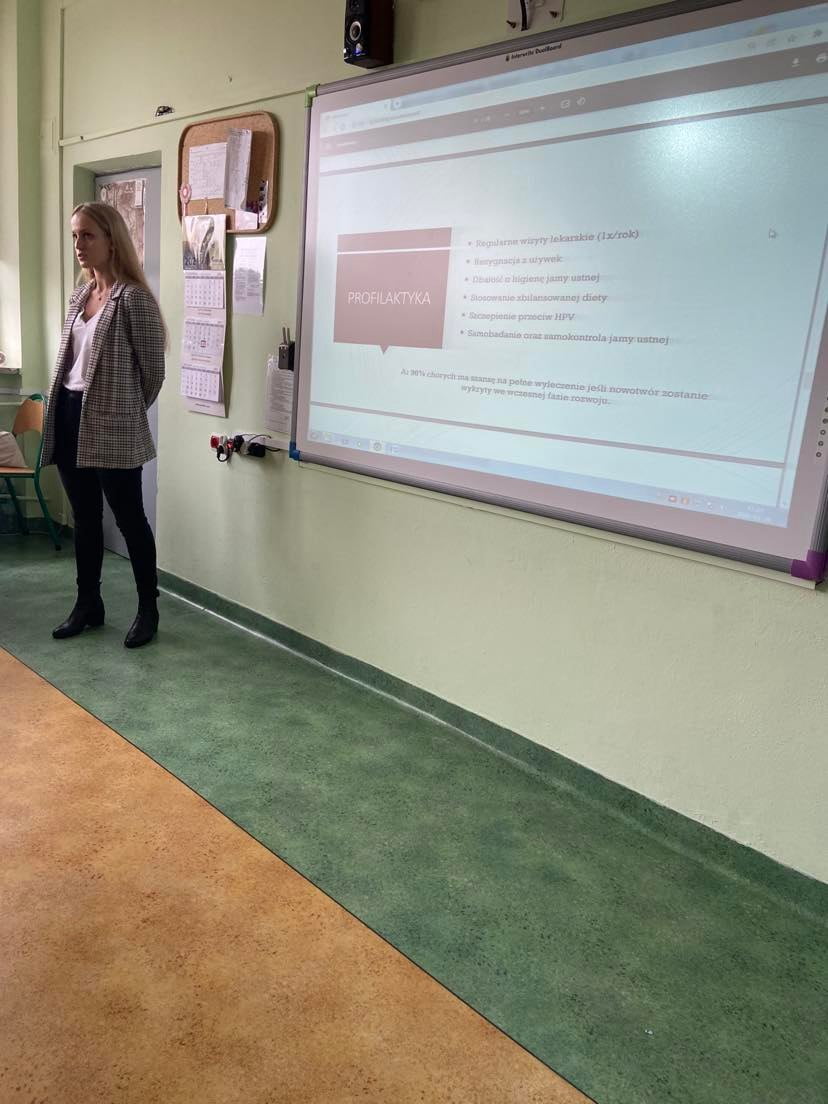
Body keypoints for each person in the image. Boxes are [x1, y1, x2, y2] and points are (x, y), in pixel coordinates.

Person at [41, 202, 166, 648]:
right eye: (75, 235)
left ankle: (148, 609)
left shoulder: (133, 299)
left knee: (130, 519)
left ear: (112, 240)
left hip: (113, 423)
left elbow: (153, 374)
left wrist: (122, 410)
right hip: (69, 414)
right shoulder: (80, 297)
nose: (79, 244)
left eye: (88, 235)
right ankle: (88, 603)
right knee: (86, 518)